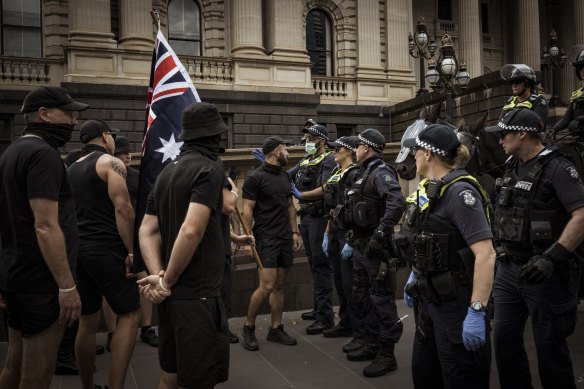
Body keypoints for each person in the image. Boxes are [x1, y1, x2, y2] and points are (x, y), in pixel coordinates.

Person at [485, 108, 584, 389]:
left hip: (544, 273)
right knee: (504, 343)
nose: (501, 139)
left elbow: (582, 215)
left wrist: (553, 257)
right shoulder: (511, 167)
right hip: (508, 270)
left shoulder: (559, 167)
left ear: (523, 134)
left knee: (549, 348)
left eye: (504, 133)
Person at [137, 102, 230, 389]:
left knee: (170, 374)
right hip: (197, 296)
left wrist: (160, 276)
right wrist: (166, 280)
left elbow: (147, 230)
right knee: (198, 380)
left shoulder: (166, 173)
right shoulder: (209, 169)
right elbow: (191, 230)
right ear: (214, 136)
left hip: (171, 298)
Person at [0, 86, 85, 388]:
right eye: (69, 113)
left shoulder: (11, 151)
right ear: (43, 114)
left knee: (14, 364)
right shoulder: (43, 155)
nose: (74, 121)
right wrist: (67, 286)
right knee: (37, 375)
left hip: (16, 276)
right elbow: (45, 226)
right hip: (42, 283)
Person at [399, 124, 496, 388]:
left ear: (428, 153)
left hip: (456, 306)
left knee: (460, 376)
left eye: (415, 150)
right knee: (426, 374)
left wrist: (477, 311)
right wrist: (415, 274)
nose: (413, 156)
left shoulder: (460, 193)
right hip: (429, 301)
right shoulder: (433, 189)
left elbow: (486, 254)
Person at [68, 120, 140, 389]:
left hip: (79, 252)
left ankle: (88, 386)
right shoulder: (111, 164)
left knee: (87, 322)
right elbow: (124, 210)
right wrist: (132, 250)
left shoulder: (71, 168)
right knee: (130, 315)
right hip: (107, 250)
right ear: (105, 137)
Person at [341, 128, 406, 377]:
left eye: (357, 146)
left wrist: (381, 233)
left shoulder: (380, 172)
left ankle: (387, 354)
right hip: (360, 246)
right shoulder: (364, 172)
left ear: (366, 148)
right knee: (363, 297)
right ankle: (371, 343)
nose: (354, 150)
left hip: (375, 250)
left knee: (381, 301)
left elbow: (396, 202)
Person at [293, 136, 359, 339]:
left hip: (347, 234)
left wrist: (350, 239)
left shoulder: (354, 174)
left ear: (348, 151)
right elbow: (334, 208)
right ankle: (346, 323)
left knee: (349, 284)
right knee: (339, 281)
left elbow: (354, 208)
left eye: (338, 149)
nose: (334, 152)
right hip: (334, 230)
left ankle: (358, 330)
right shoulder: (338, 172)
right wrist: (328, 233)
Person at [241, 135, 302, 351]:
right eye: (285, 149)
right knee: (266, 285)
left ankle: (276, 328)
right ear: (276, 151)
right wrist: (247, 240)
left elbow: (290, 207)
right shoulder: (254, 177)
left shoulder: (285, 176)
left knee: (279, 285)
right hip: (265, 237)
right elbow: (247, 210)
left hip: (285, 236)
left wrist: (294, 231)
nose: (288, 153)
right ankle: (248, 327)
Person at [288, 123, 336, 334]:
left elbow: (327, 188)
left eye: (311, 138)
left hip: (319, 218)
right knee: (314, 266)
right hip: (306, 218)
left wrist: (302, 195)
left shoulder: (329, 159)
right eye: (306, 138)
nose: (307, 142)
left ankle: (325, 317)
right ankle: (318, 309)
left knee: (322, 267)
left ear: (322, 141)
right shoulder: (306, 160)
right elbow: (287, 176)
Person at [220, 171, 255, 344]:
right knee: (221, 290)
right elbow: (229, 206)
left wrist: (235, 238)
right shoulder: (216, 177)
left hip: (220, 244)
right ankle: (221, 329)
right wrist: (233, 188)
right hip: (216, 250)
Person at [551, 45, 584, 135]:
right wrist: (554, 129)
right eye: (580, 68)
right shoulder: (577, 94)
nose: (582, 71)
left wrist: (580, 120)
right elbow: (566, 119)